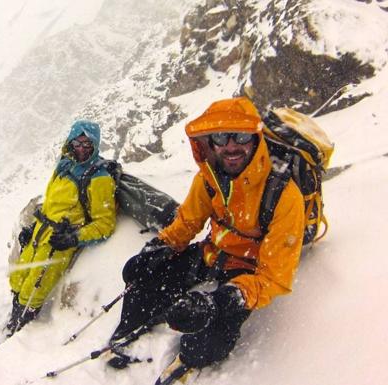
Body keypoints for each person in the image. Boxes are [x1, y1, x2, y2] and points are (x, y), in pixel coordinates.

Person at [105, 97, 305, 383]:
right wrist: (159, 248)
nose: (231, 146)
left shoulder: (283, 194)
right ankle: (129, 334)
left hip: (245, 270)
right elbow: (187, 222)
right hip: (211, 253)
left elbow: (275, 277)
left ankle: (191, 357)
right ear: (210, 143)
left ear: (255, 138)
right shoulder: (210, 178)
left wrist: (221, 300)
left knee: (206, 339)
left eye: (241, 136)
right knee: (146, 280)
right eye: (221, 137)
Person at [0, 120, 117, 347]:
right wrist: (31, 228)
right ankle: (15, 314)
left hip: (59, 241)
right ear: (70, 142)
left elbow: (105, 224)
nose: (81, 148)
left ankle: (17, 327)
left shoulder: (98, 178)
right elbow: (52, 203)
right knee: (19, 277)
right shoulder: (65, 167)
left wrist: (74, 237)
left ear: (95, 145)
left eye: (87, 144)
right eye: (77, 142)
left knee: (35, 286)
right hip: (41, 232)